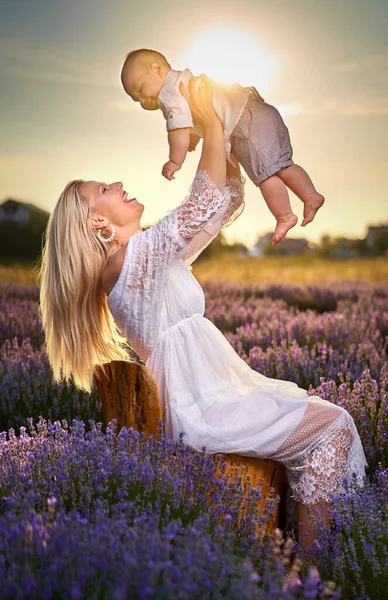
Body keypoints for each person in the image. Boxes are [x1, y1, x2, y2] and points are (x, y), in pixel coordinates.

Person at [40, 78, 366, 547]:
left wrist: (224, 134)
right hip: (203, 406)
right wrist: (212, 119)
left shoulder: (143, 262)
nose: (119, 185)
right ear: (98, 222)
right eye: (106, 189)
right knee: (330, 426)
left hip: (206, 396)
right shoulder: (132, 261)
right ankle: (315, 566)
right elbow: (203, 202)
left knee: (326, 420)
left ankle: (293, 556)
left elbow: (218, 204)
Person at [120, 48, 325, 245]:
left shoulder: (170, 93)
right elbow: (197, 118)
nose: (142, 100)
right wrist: (194, 138)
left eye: (140, 90)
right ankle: (310, 195)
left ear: (157, 69)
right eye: (136, 99)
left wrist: (175, 160)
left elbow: (178, 130)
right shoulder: (185, 80)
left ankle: (284, 216)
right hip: (257, 109)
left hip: (243, 122)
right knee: (282, 165)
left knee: (265, 175)